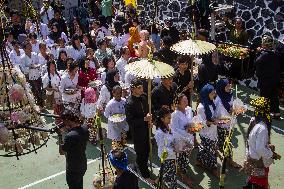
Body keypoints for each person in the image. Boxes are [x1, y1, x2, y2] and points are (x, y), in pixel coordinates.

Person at [243, 97, 281, 189]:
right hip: (258, 160)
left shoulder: (253, 120)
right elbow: (260, 149)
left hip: (250, 155)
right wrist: (272, 154)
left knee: (251, 180)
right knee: (259, 184)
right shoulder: (262, 127)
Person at [125, 79, 154, 183]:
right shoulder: (129, 103)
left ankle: (140, 165)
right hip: (137, 132)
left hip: (146, 128)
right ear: (133, 89)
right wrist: (144, 119)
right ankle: (145, 175)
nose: (142, 89)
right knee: (141, 152)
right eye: (139, 88)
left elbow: (149, 111)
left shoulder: (144, 97)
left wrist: (150, 120)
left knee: (147, 150)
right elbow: (130, 121)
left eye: (142, 87)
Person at [59, 111, 89, 189]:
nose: (63, 123)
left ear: (67, 120)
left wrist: (60, 135)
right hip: (82, 164)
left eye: (63, 121)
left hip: (73, 168)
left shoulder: (69, 136)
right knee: (79, 184)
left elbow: (62, 152)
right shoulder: (85, 128)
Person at [170, 94, 195, 187]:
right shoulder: (175, 115)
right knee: (182, 157)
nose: (186, 102)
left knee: (187, 156)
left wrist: (194, 126)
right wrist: (186, 130)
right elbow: (174, 129)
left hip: (190, 137)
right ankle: (183, 174)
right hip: (181, 140)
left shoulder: (189, 110)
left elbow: (192, 121)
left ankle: (181, 170)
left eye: (187, 100)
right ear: (178, 104)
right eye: (184, 101)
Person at [215, 79, 240, 168]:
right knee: (226, 143)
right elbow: (218, 114)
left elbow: (233, 105)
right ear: (222, 88)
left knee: (225, 142)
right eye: (227, 86)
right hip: (222, 125)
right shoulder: (218, 99)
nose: (230, 87)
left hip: (230, 123)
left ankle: (226, 157)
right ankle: (230, 160)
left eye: (229, 85)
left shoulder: (230, 95)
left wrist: (237, 109)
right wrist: (231, 112)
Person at [255, 35, 281, 119]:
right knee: (274, 96)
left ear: (264, 45)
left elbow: (257, 62)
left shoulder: (264, 55)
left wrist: (258, 52)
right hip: (275, 79)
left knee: (264, 96)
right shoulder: (276, 53)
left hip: (265, 80)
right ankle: (276, 113)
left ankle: (262, 113)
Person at [196, 84, 219, 177]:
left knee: (206, 148)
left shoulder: (211, 101)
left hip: (212, 130)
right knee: (211, 151)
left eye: (214, 93)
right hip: (206, 132)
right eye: (212, 93)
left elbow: (214, 114)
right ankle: (213, 168)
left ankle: (199, 160)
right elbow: (201, 122)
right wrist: (212, 122)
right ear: (206, 94)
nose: (214, 95)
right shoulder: (201, 107)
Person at [21, 41, 44, 110]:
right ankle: (39, 104)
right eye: (28, 48)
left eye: (30, 47)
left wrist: (36, 66)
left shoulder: (34, 54)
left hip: (37, 74)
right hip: (30, 77)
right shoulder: (23, 58)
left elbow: (38, 63)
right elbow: (23, 69)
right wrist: (30, 67)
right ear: (24, 49)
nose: (30, 48)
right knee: (34, 90)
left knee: (40, 89)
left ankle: (41, 104)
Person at [104, 85, 129, 150]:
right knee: (116, 145)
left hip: (123, 124)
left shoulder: (124, 101)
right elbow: (106, 115)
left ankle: (122, 148)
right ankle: (117, 156)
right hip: (114, 126)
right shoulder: (110, 104)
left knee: (123, 140)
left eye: (120, 92)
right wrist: (113, 118)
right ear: (113, 93)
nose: (119, 95)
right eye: (117, 93)